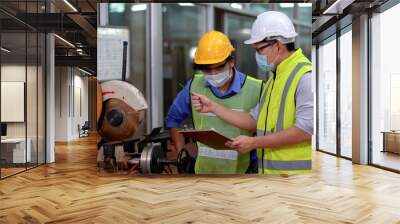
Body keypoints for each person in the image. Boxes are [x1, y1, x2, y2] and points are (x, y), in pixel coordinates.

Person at [191, 11, 313, 175]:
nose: (257, 55)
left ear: (278, 45)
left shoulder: (305, 76)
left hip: (295, 179)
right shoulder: (275, 78)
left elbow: (304, 130)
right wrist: (213, 107)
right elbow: (254, 120)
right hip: (273, 175)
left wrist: (254, 142)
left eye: (260, 49)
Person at [165, 31, 263, 174]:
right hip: (203, 173)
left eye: (219, 67)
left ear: (231, 61)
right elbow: (173, 119)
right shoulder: (194, 86)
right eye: (207, 69)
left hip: (244, 174)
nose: (214, 74)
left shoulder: (257, 89)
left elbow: (267, 129)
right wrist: (181, 153)